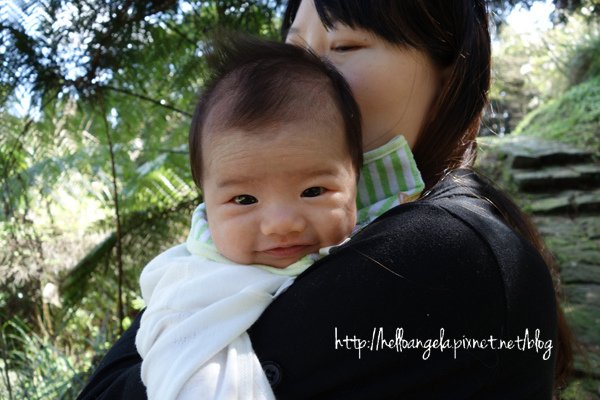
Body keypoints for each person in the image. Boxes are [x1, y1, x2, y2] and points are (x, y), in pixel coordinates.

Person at [77, 1, 573, 399]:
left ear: (449, 74)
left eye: (345, 44)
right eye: (294, 50)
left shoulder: (445, 250)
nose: (308, 75)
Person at [134, 36, 366, 399]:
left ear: (356, 179)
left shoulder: (392, 238)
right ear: (206, 203)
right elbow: (183, 369)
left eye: (313, 191)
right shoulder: (192, 290)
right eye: (244, 199)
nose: (281, 224)